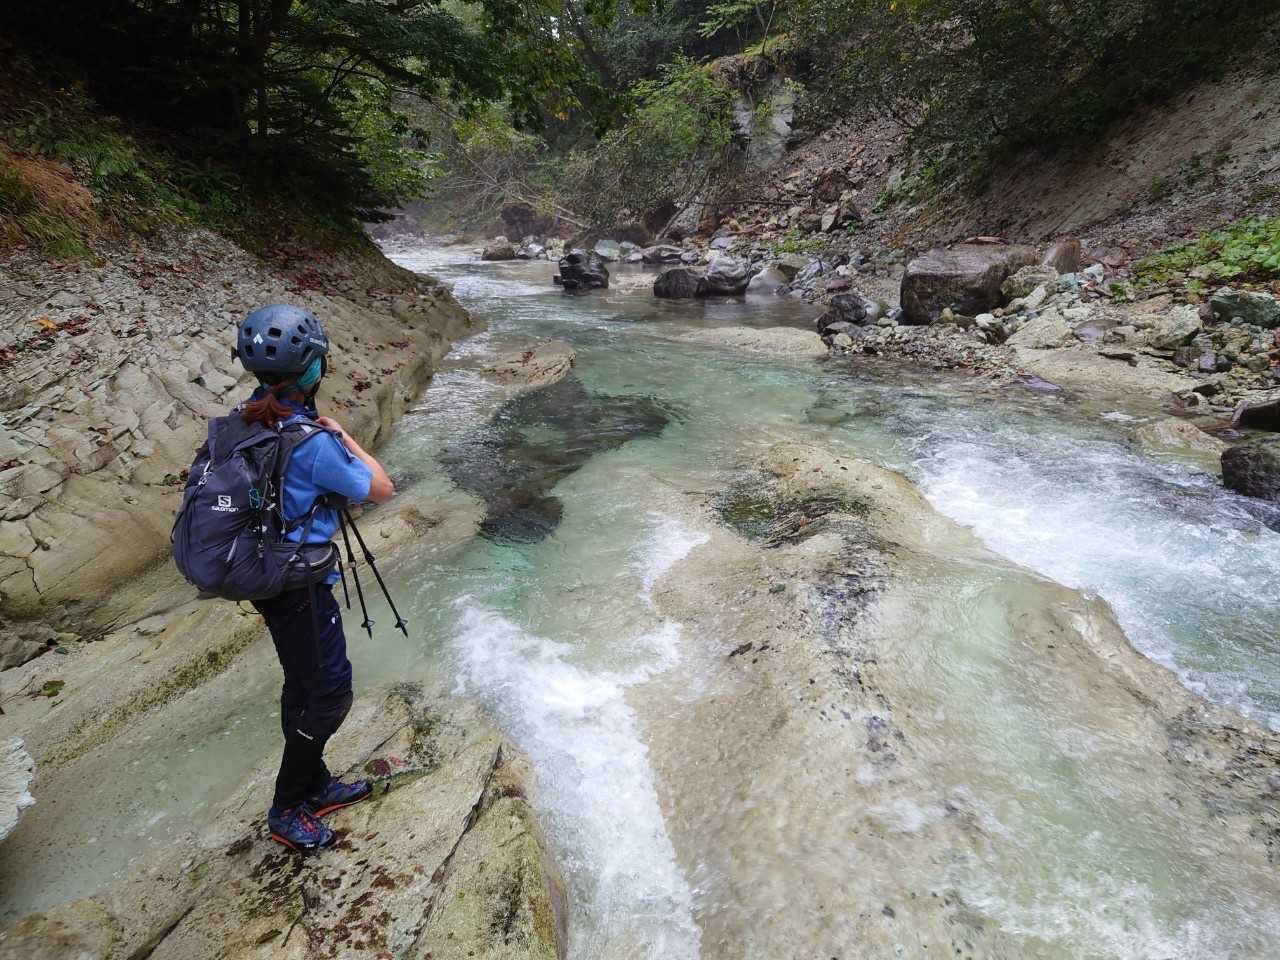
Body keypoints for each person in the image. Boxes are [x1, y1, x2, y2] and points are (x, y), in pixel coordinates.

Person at [234, 303, 395, 852]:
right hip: (299, 584)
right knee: (330, 695)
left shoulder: (244, 419)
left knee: (302, 683)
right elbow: (382, 487)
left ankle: (315, 782)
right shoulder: (314, 441)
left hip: (263, 573)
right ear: (311, 370)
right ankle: (286, 807)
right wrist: (346, 437)